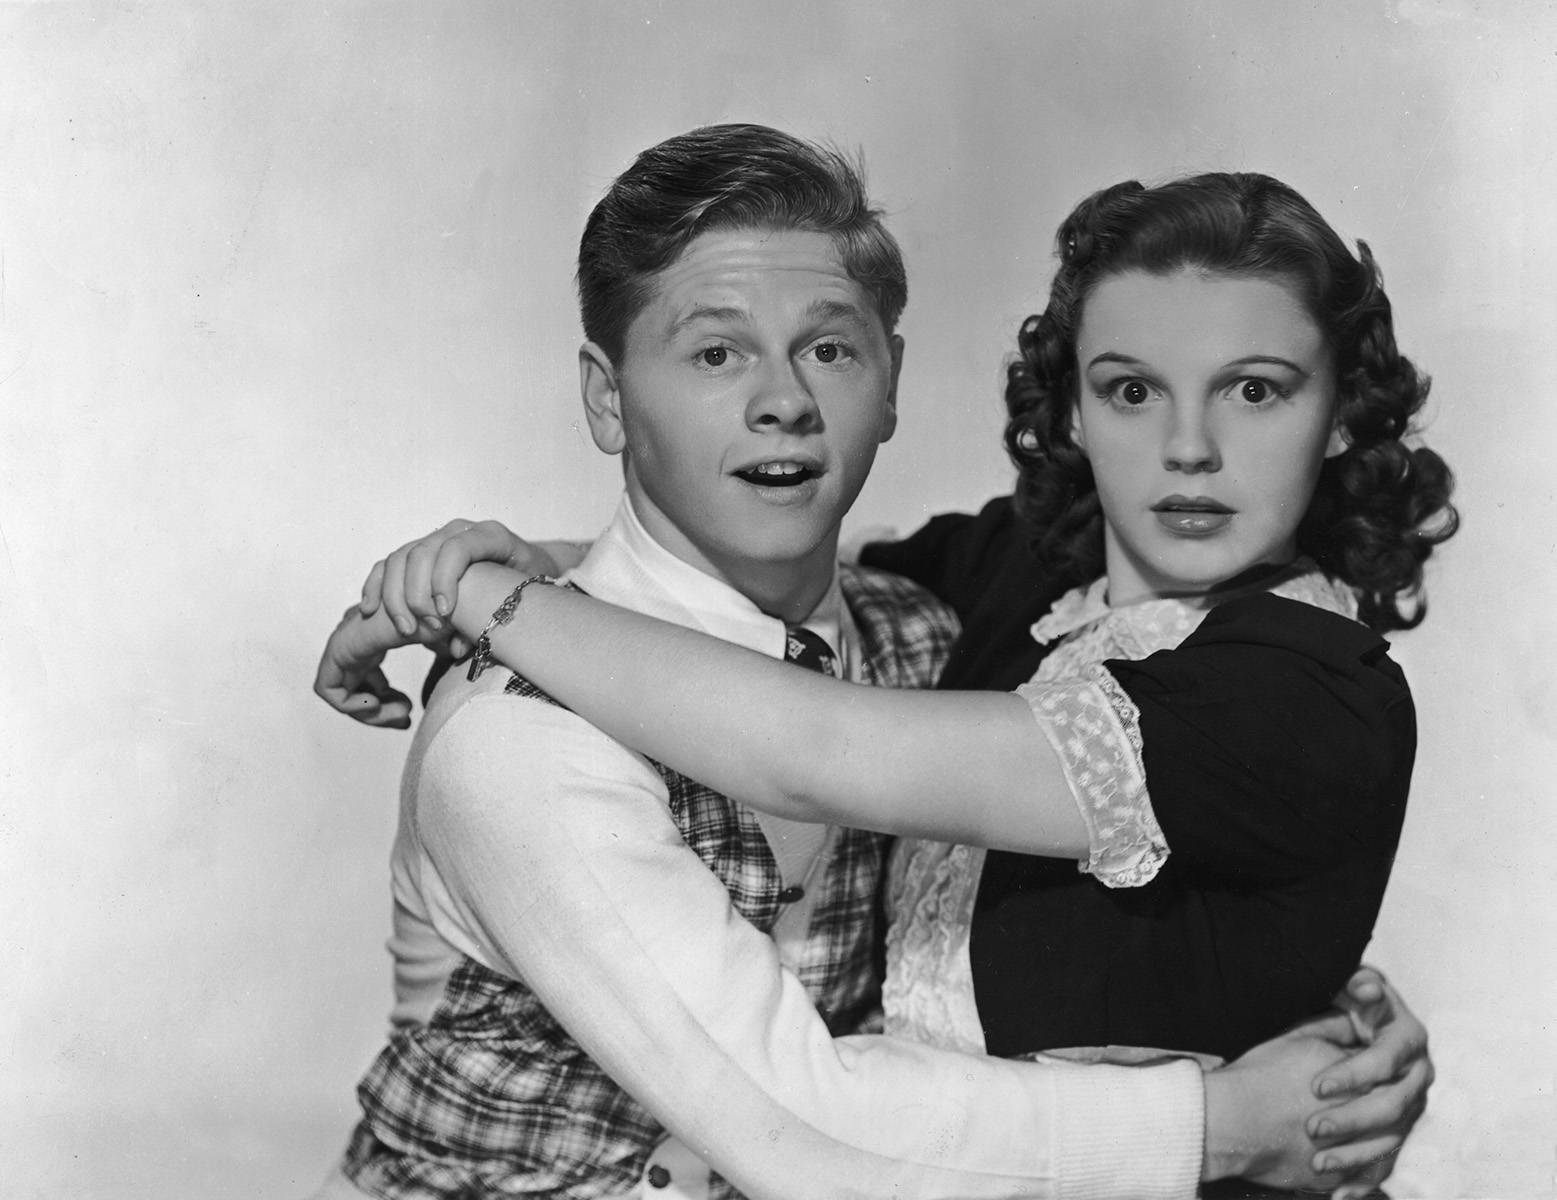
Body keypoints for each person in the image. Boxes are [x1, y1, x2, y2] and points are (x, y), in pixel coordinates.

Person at [320, 168, 1448, 1194]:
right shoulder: (1012, 584)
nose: (1189, 448)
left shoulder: (1304, 693)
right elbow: (732, 586)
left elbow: (819, 747)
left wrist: (486, 597)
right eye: (1131, 391)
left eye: (1256, 391)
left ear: (1342, 409)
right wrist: (498, 577)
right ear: (1072, 406)